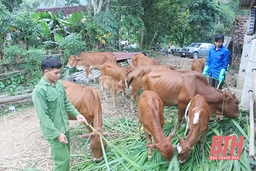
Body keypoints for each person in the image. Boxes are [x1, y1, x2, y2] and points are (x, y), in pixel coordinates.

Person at [32, 56, 87, 171]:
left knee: (66, 158)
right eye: (56, 73)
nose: (59, 75)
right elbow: (43, 117)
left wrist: (77, 114)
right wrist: (57, 134)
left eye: (59, 72)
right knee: (63, 161)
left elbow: (66, 102)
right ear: (46, 72)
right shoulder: (39, 91)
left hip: (65, 128)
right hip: (54, 132)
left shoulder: (58, 85)